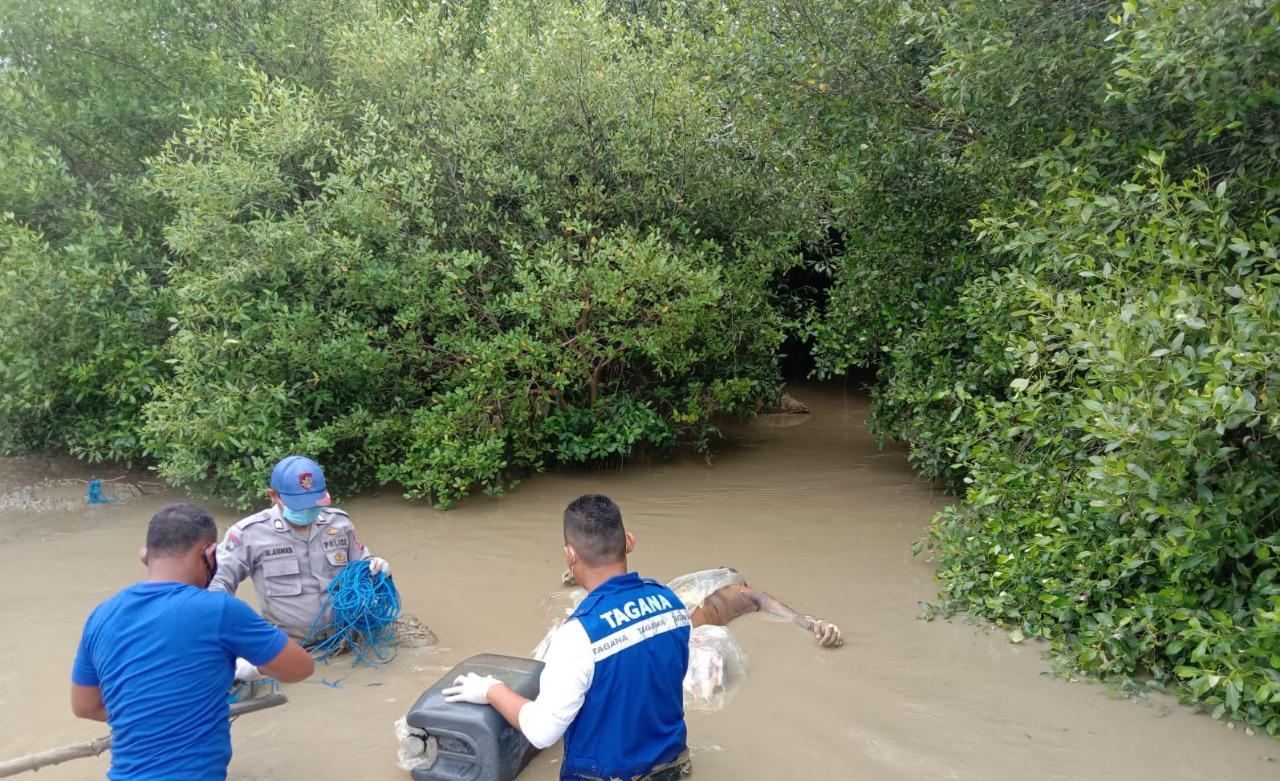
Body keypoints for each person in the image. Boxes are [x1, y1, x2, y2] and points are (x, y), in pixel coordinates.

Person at [444, 494, 692, 781]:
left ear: (570, 555)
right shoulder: (671, 603)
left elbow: (542, 731)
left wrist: (491, 690)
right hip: (673, 767)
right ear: (629, 541)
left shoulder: (577, 635)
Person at [71, 502, 314, 781]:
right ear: (210, 554)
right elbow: (300, 668)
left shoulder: (100, 616)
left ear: (145, 557)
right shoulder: (219, 609)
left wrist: (152, 717)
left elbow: (85, 706)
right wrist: (255, 668)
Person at [547, 567, 842, 710]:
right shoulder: (709, 592)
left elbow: (775, 607)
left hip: (661, 639)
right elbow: (774, 606)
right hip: (670, 642)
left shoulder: (734, 593)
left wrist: (814, 624)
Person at [209, 455, 392, 644]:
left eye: (313, 503)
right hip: (289, 647)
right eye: (299, 505)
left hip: (349, 640)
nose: (307, 510)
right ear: (274, 496)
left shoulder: (340, 523)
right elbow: (216, 582)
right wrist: (232, 629)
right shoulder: (247, 534)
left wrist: (377, 567)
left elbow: (363, 566)